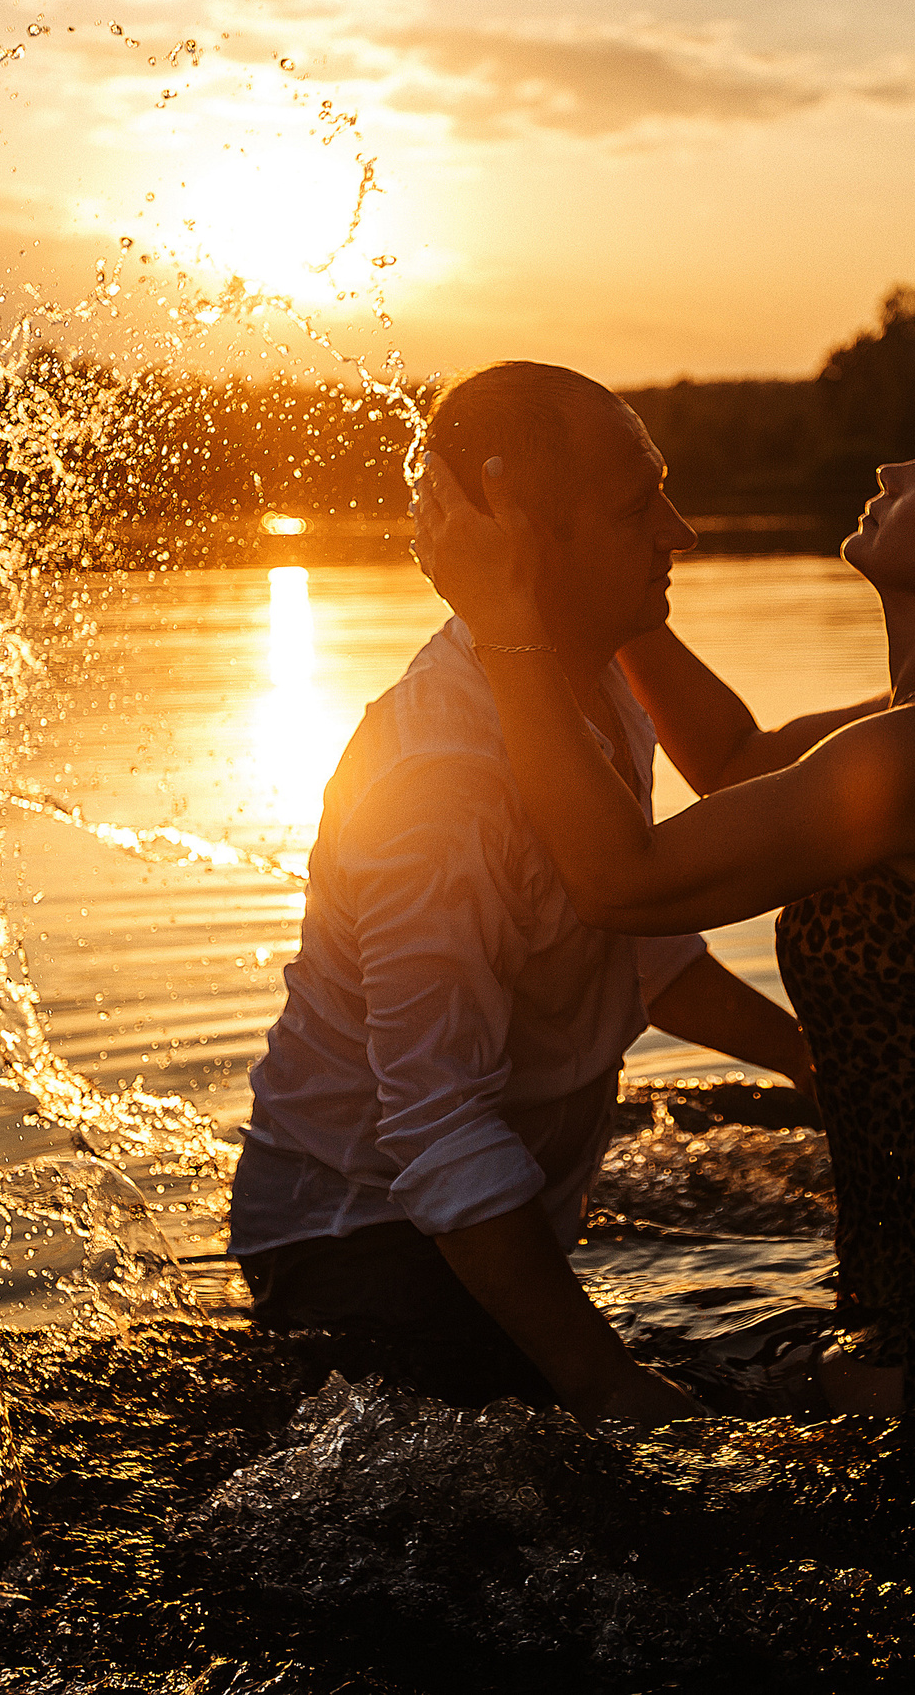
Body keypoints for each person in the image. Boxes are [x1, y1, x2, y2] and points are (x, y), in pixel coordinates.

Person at [418, 396, 915, 1414]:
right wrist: (606, 593)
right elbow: (732, 761)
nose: (886, 472)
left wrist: (511, 624)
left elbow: (621, 881)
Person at [228, 361, 815, 1426]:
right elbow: (438, 1125)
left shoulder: (588, 685)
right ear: (527, 545)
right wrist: (605, 1382)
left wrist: (814, 1070)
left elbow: (644, 951)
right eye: (640, 506)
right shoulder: (433, 781)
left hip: (482, 1212)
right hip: (358, 1241)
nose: (678, 532)